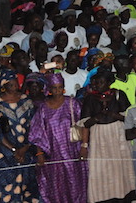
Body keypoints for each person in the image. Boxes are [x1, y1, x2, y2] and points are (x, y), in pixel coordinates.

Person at [29, 73, 88, 203]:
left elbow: (84, 125)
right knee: (57, 187)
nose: (57, 91)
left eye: (60, 87)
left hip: (72, 152)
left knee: (75, 184)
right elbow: (38, 133)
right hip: (53, 156)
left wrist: (84, 146)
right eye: (54, 88)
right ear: (49, 89)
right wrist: (39, 153)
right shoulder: (43, 108)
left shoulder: (73, 103)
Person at [80, 71, 135, 203]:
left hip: (117, 135)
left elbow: (130, 118)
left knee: (120, 167)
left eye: (101, 82)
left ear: (109, 83)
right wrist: (96, 118)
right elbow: (84, 123)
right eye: (96, 82)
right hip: (99, 137)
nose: (97, 85)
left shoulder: (119, 95)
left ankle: (122, 196)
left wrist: (115, 115)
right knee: (100, 169)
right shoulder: (90, 99)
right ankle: (103, 199)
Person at [0, 69, 39, 203]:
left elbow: (35, 126)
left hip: (26, 152)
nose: (14, 85)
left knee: (26, 187)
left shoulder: (26, 101)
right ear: (3, 86)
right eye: (10, 83)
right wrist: (14, 150)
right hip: (5, 154)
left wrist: (25, 148)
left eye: (15, 81)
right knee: (6, 189)